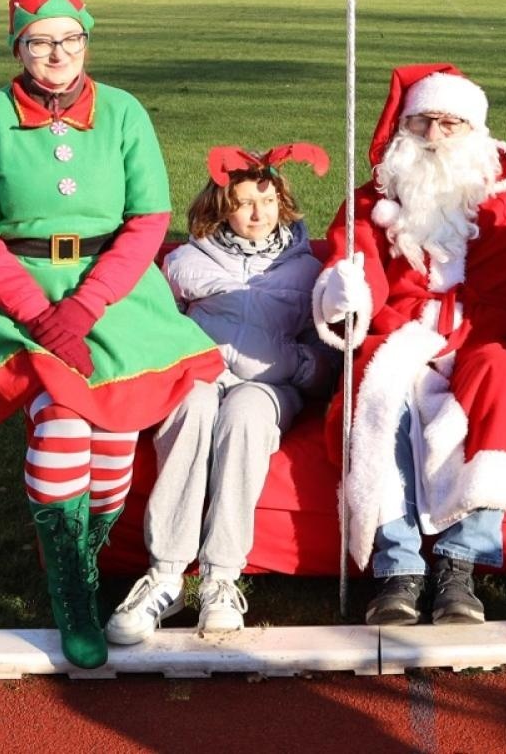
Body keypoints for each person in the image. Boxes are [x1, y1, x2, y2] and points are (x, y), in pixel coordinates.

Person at [0, 0, 224, 669]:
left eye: (69, 39)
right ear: (18, 46)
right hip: (24, 300)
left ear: (85, 39)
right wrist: (42, 314)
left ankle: (86, 555)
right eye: (40, 41)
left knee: (113, 447)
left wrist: (86, 304)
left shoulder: (126, 111)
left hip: (116, 297)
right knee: (65, 418)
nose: (56, 53)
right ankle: (70, 586)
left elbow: (148, 221)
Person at [314, 63, 506, 626]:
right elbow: (358, 265)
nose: (436, 137)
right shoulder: (370, 200)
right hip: (398, 335)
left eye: (450, 124)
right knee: (374, 386)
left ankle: (458, 566)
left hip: (481, 336)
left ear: (475, 134)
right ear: (403, 129)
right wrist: (344, 294)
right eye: (423, 123)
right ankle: (398, 569)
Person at [106, 143, 336, 641]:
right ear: (221, 204)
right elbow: (154, 333)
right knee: (192, 404)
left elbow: (330, 363)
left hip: (271, 390)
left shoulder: (308, 269)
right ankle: (165, 574)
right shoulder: (185, 262)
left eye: (270, 201)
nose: (260, 213)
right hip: (202, 379)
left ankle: (220, 578)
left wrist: (294, 365)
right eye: (247, 202)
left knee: (247, 413)